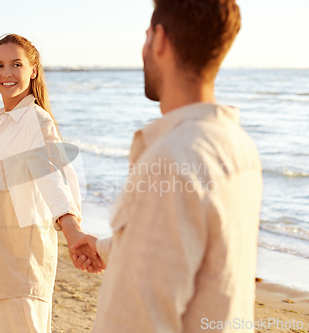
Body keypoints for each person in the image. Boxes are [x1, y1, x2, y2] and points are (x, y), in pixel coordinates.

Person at [71, 1, 263, 332]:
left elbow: (138, 318)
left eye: (146, 36)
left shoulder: (171, 159)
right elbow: (197, 256)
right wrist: (104, 248)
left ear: (159, 39)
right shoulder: (238, 144)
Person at [0, 34, 103, 333]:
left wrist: (72, 231)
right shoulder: (0, 124)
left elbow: (53, 179)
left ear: (33, 70)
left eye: (15, 64)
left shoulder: (35, 121)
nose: (5, 73)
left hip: (21, 266)